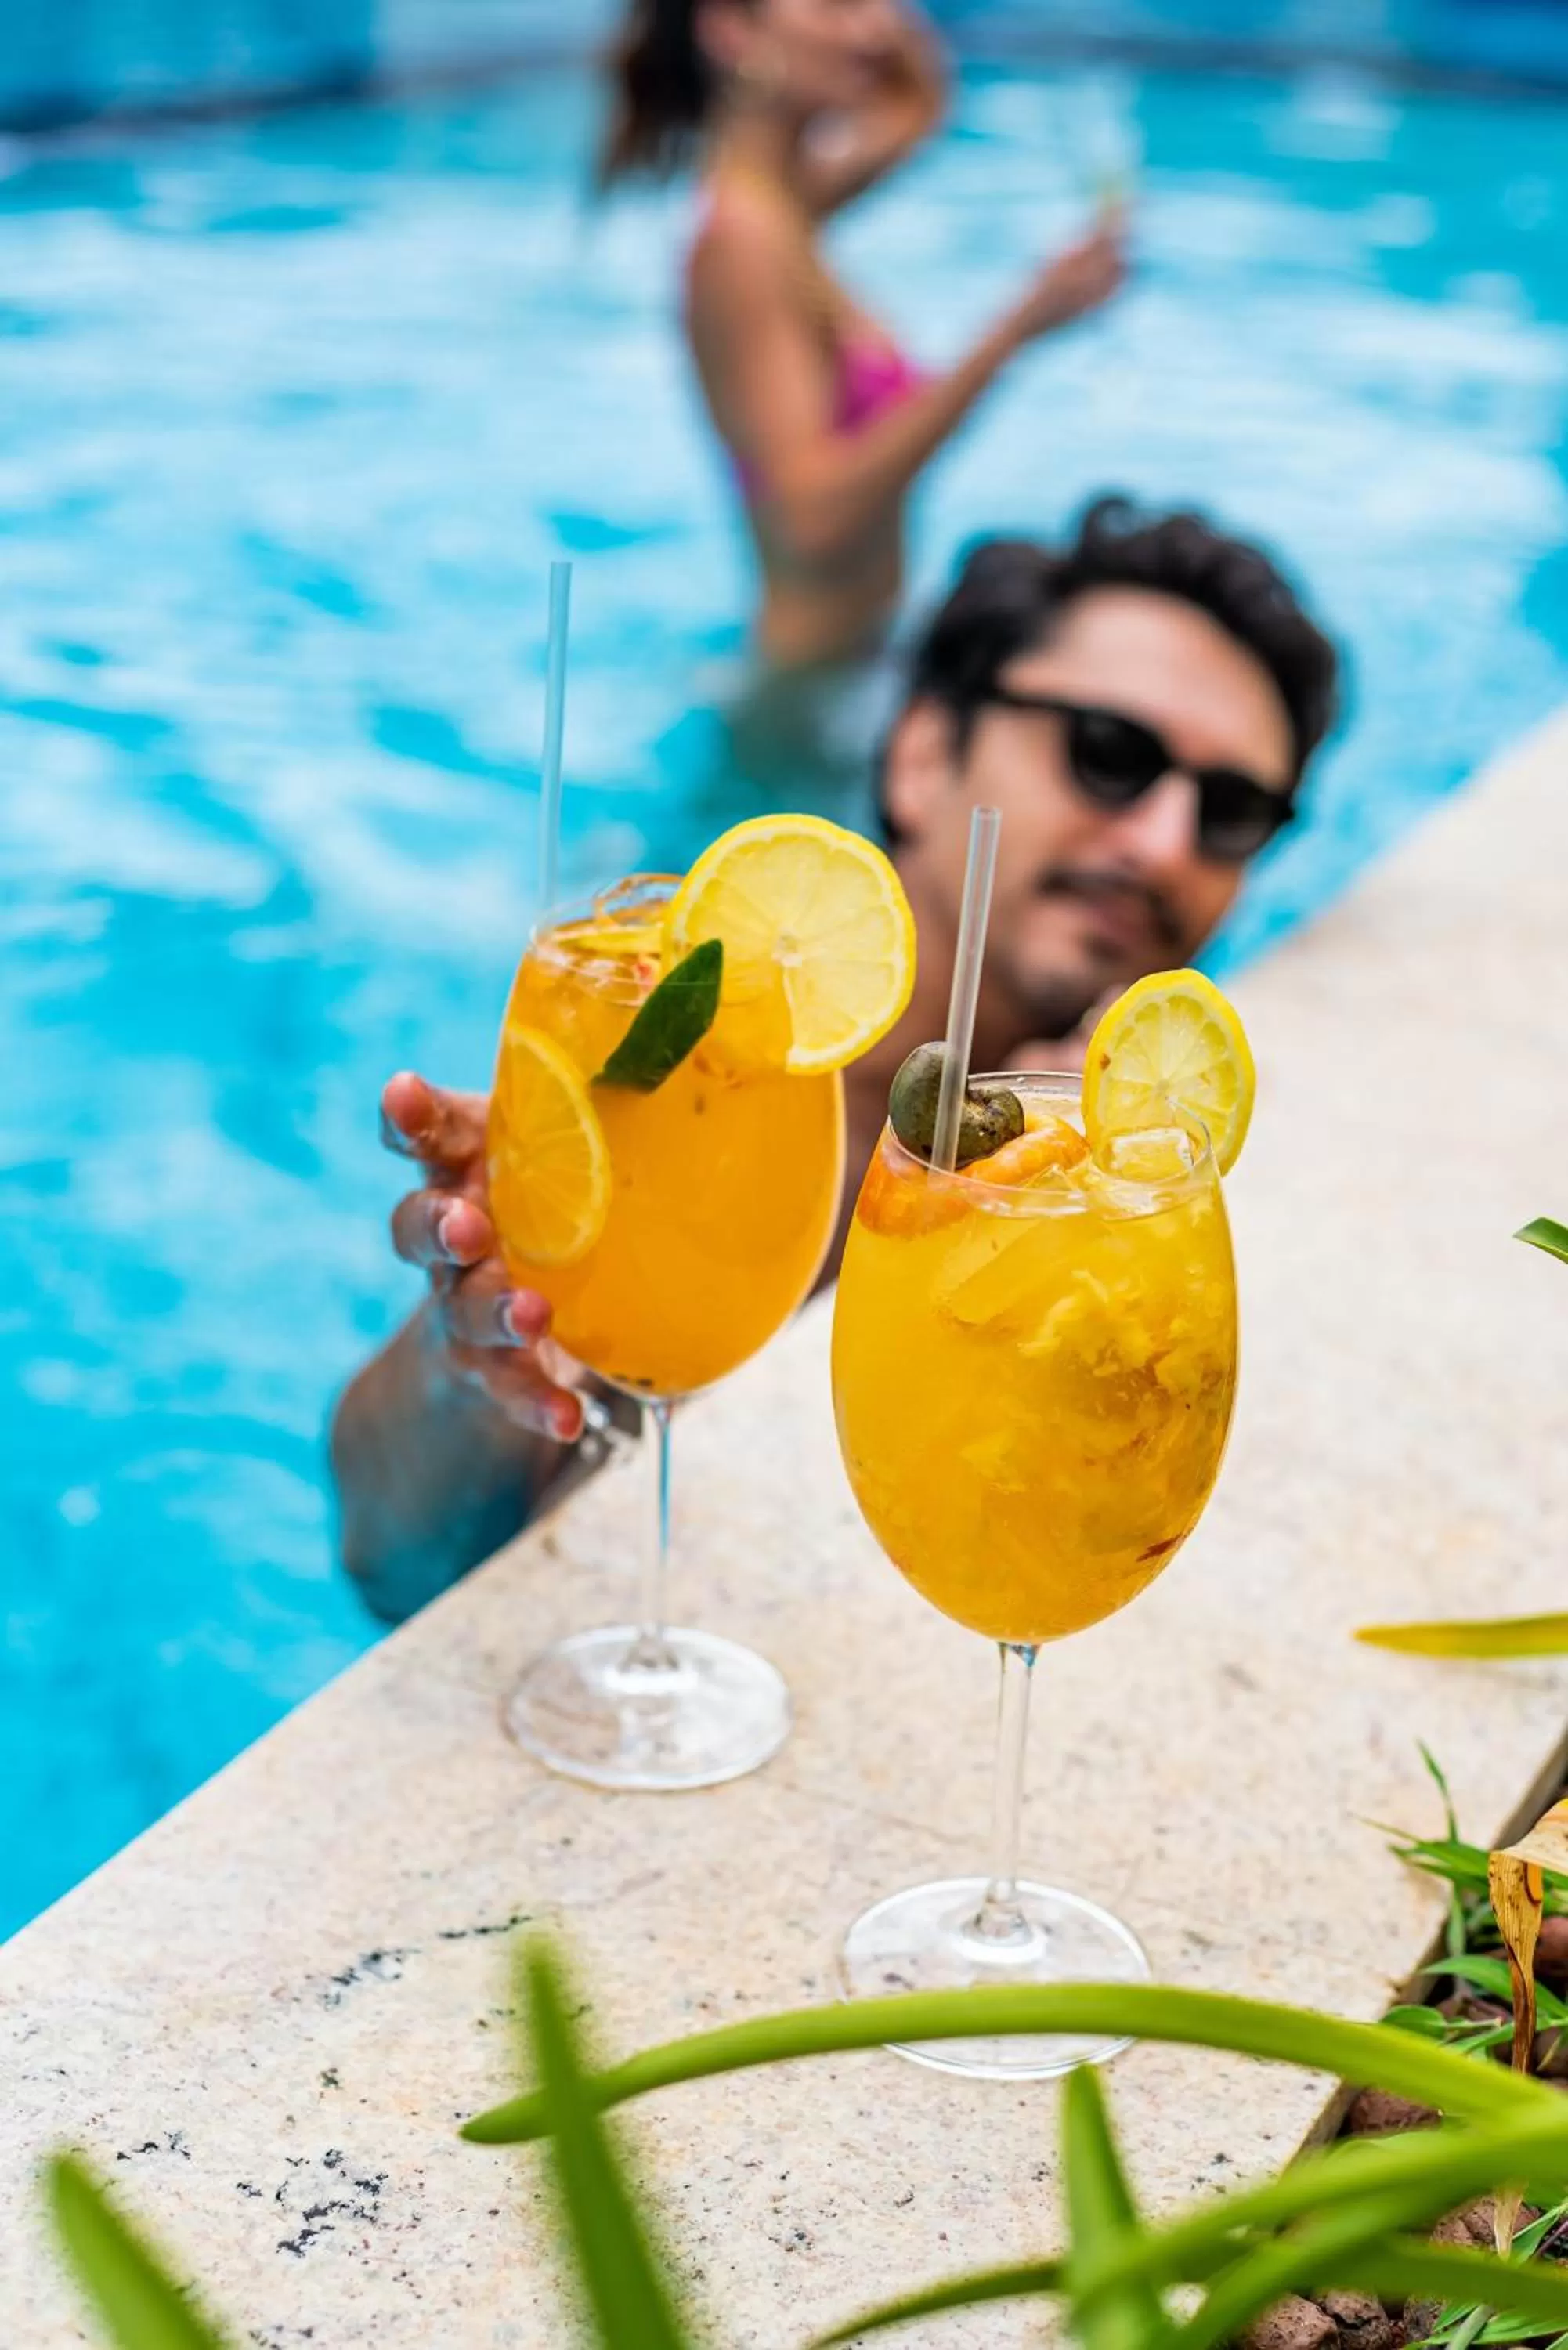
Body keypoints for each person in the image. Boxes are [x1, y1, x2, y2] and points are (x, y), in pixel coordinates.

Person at [332, 497, 1339, 1623]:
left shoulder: (1130, 1195)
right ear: (919, 754)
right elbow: (391, 1565)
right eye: (1108, 755)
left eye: (1232, 811)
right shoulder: (697, 1073)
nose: (1161, 842)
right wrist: (470, 1347)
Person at [601, 0, 1126, 670]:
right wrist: (1018, 329)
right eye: (836, 6)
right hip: (809, 693)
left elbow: (918, 100)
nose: (877, 28)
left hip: (857, 658)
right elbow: (811, 523)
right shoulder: (739, 245)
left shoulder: (786, 204)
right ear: (731, 31)